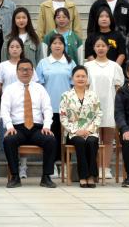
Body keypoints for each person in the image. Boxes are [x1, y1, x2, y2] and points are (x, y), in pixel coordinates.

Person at [0, 59, 58, 188]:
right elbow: (4, 110)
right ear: (17, 72)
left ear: (32, 72)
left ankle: (46, 177)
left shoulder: (40, 89)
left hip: (37, 128)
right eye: (22, 69)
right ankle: (15, 177)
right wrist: (9, 126)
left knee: (50, 139)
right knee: (9, 140)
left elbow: (47, 109)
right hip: (17, 128)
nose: (25, 72)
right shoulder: (9, 89)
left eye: (28, 69)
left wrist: (47, 126)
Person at [84, 35, 125, 178]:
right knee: (93, 139)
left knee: (108, 139)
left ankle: (105, 168)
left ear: (108, 48)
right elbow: (85, 87)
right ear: (94, 48)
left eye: (103, 46)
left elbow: (119, 89)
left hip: (110, 105)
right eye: (98, 46)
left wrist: (118, 108)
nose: (100, 48)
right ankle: (95, 168)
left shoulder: (115, 66)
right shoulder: (88, 66)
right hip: (92, 106)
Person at [36, 34, 74, 176]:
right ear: (50, 46)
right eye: (54, 43)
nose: (57, 46)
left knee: (67, 138)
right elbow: (38, 86)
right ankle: (51, 166)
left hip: (67, 108)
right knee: (51, 138)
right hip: (48, 108)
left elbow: (75, 85)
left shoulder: (70, 63)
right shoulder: (43, 63)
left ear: (64, 46)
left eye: (60, 43)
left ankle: (65, 165)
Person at [59, 66, 102, 188]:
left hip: (90, 131)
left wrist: (89, 130)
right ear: (72, 78)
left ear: (87, 78)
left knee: (92, 142)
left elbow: (99, 114)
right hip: (73, 132)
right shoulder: (66, 95)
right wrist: (76, 130)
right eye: (78, 76)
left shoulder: (93, 95)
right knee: (80, 142)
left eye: (83, 76)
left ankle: (91, 176)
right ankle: (83, 176)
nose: (81, 79)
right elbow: (63, 117)